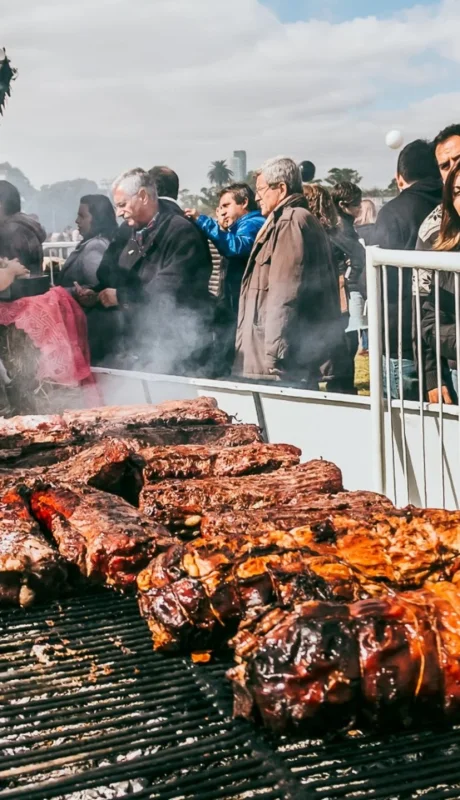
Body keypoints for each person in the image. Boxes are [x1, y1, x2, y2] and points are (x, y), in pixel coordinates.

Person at [233, 156, 347, 389]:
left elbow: (285, 293)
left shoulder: (290, 221)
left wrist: (275, 354)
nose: (257, 197)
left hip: (286, 362)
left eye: (262, 190)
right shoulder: (290, 219)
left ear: (281, 188)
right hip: (288, 356)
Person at [89, 168, 214, 374]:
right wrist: (96, 293)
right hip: (135, 339)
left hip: (177, 344)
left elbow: (170, 288)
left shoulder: (182, 231)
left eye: (122, 205)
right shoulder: (127, 230)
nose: (119, 213)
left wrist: (121, 296)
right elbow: (107, 270)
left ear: (143, 197)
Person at [372, 139, 443, 399]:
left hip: (402, 341)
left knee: (405, 432)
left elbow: (381, 281)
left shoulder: (392, 213)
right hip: (444, 344)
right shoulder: (451, 205)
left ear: (399, 177)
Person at [185, 183, 265, 375]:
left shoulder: (252, 223)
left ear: (244, 202)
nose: (222, 212)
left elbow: (236, 247)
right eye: (220, 208)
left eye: (226, 206)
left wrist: (204, 221)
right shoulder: (242, 225)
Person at [415, 124, 460, 403]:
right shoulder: (433, 231)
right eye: (445, 166)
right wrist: (433, 375)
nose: (454, 169)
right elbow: (424, 310)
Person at [330, 181, 366, 372]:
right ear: (343, 205)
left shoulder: (339, 225)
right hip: (346, 289)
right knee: (348, 341)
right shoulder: (342, 228)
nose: (360, 208)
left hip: (344, 287)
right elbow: (359, 255)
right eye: (357, 204)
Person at [58, 195, 118, 291]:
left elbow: (96, 288)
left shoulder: (95, 246)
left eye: (82, 216)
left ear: (98, 219)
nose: (77, 220)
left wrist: (62, 292)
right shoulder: (94, 243)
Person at [0, 180, 46, 274]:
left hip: (19, 287)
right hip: (33, 287)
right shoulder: (25, 226)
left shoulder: (9, 232)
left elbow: (9, 277)